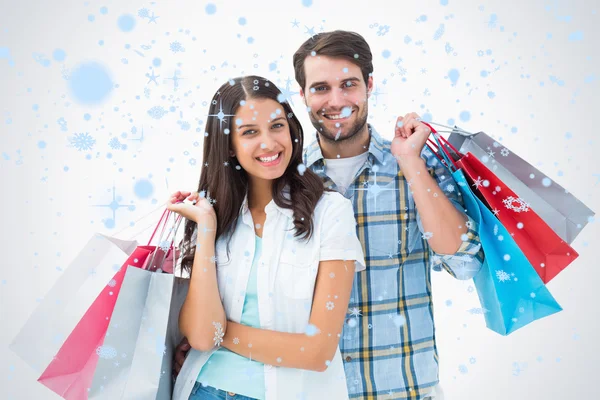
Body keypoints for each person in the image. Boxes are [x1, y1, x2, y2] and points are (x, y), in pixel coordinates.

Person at [291, 30, 485, 399]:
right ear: (302, 95)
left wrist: (410, 163)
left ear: (369, 85)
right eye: (320, 88)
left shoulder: (416, 163)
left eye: (348, 84)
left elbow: (465, 263)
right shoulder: (284, 179)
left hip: (403, 391)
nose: (336, 100)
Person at [166, 75, 366, 400]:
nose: (269, 143)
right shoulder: (214, 216)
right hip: (201, 391)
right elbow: (202, 340)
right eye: (249, 133)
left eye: (276, 126)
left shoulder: (330, 213)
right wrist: (205, 228)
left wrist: (218, 331)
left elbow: (316, 352)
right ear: (228, 144)